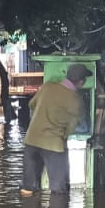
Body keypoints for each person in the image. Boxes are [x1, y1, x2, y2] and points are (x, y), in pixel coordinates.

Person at [20, 62, 90, 196]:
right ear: (81, 82)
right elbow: (71, 129)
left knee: (28, 189)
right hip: (54, 146)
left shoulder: (47, 87)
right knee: (58, 191)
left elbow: (31, 104)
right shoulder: (76, 101)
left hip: (31, 141)